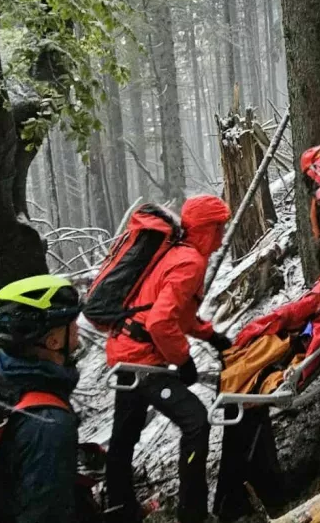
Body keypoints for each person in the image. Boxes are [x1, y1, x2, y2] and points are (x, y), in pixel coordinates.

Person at [105, 195, 232, 523]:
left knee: (125, 433)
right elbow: (160, 322)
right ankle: (193, 514)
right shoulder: (190, 262)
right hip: (140, 358)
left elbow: (179, 314)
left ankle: (119, 507)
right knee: (196, 421)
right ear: (205, 230)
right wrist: (184, 359)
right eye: (219, 231)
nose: (221, 240)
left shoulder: (179, 254)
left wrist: (210, 336)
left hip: (124, 349)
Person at [0, 275, 84, 523]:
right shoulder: (49, 422)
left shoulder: (2, 386)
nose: (77, 329)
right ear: (53, 341)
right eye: (72, 323)